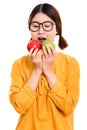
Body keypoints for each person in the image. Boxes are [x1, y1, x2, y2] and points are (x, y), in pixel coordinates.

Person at [9, 3, 80, 130]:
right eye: (35, 26)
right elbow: (19, 106)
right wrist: (37, 70)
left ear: (57, 29)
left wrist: (48, 71)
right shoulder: (18, 64)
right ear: (30, 29)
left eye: (47, 26)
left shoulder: (71, 63)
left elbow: (68, 106)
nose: (41, 31)